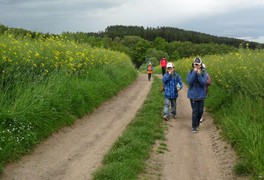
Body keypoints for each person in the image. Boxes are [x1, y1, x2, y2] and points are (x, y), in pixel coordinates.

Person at [187, 57, 208, 133]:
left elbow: (203, 83)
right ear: (193, 64)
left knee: (200, 111)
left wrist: (198, 74)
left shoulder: (204, 73)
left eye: (198, 64)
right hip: (193, 96)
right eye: (195, 64)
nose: (196, 66)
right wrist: (194, 73)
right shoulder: (190, 72)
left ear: (201, 65)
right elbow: (189, 82)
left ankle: (197, 123)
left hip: (201, 95)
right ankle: (194, 126)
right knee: (195, 111)